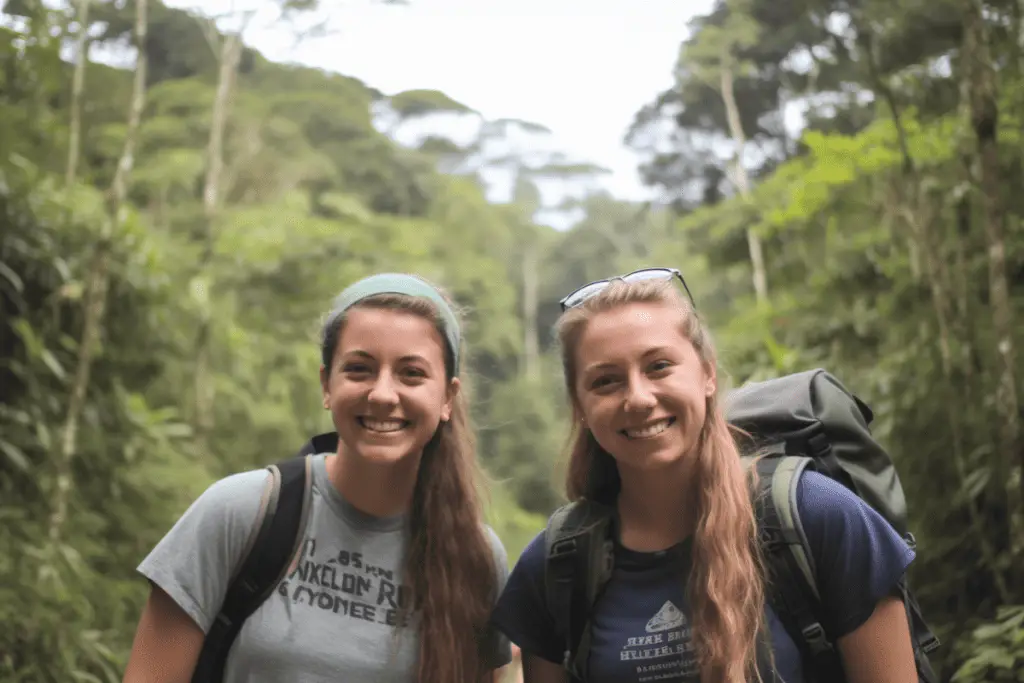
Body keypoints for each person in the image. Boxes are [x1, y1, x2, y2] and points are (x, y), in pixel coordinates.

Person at [489, 268, 920, 683]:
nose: (638, 398)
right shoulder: (554, 567)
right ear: (579, 406)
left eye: (658, 366)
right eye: (606, 381)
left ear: (707, 374)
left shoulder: (818, 516)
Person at [123, 273, 512, 683]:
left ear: (447, 398)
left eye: (410, 373)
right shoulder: (239, 513)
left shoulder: (477, 560)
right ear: (327, 384)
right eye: (360, 369)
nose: (382, 394)